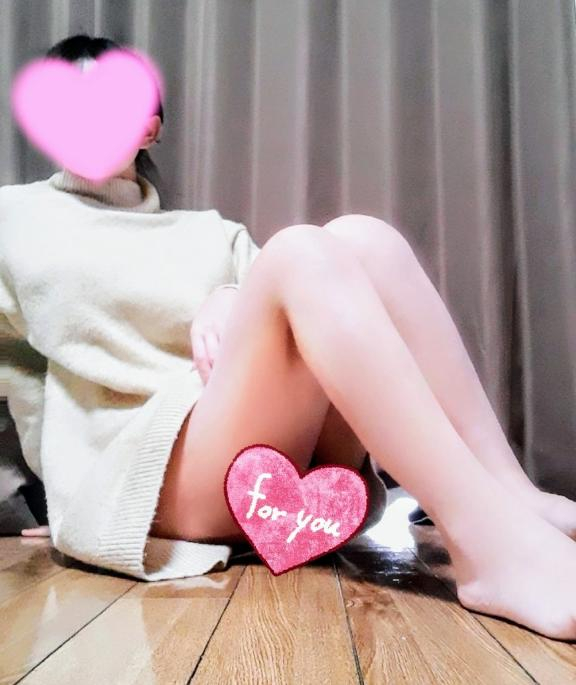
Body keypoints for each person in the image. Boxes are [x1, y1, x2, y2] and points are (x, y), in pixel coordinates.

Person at [3, 33, 576, 641]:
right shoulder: (15, 217)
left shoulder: (211, 233)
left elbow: (308, 320)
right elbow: (12, 366)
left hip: (263, 451)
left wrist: (229, 294)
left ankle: (512, 495)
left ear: (148, 128)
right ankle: (487, 544)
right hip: (147, 472)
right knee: (298, 251)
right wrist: (36, 498)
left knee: (365, 239)